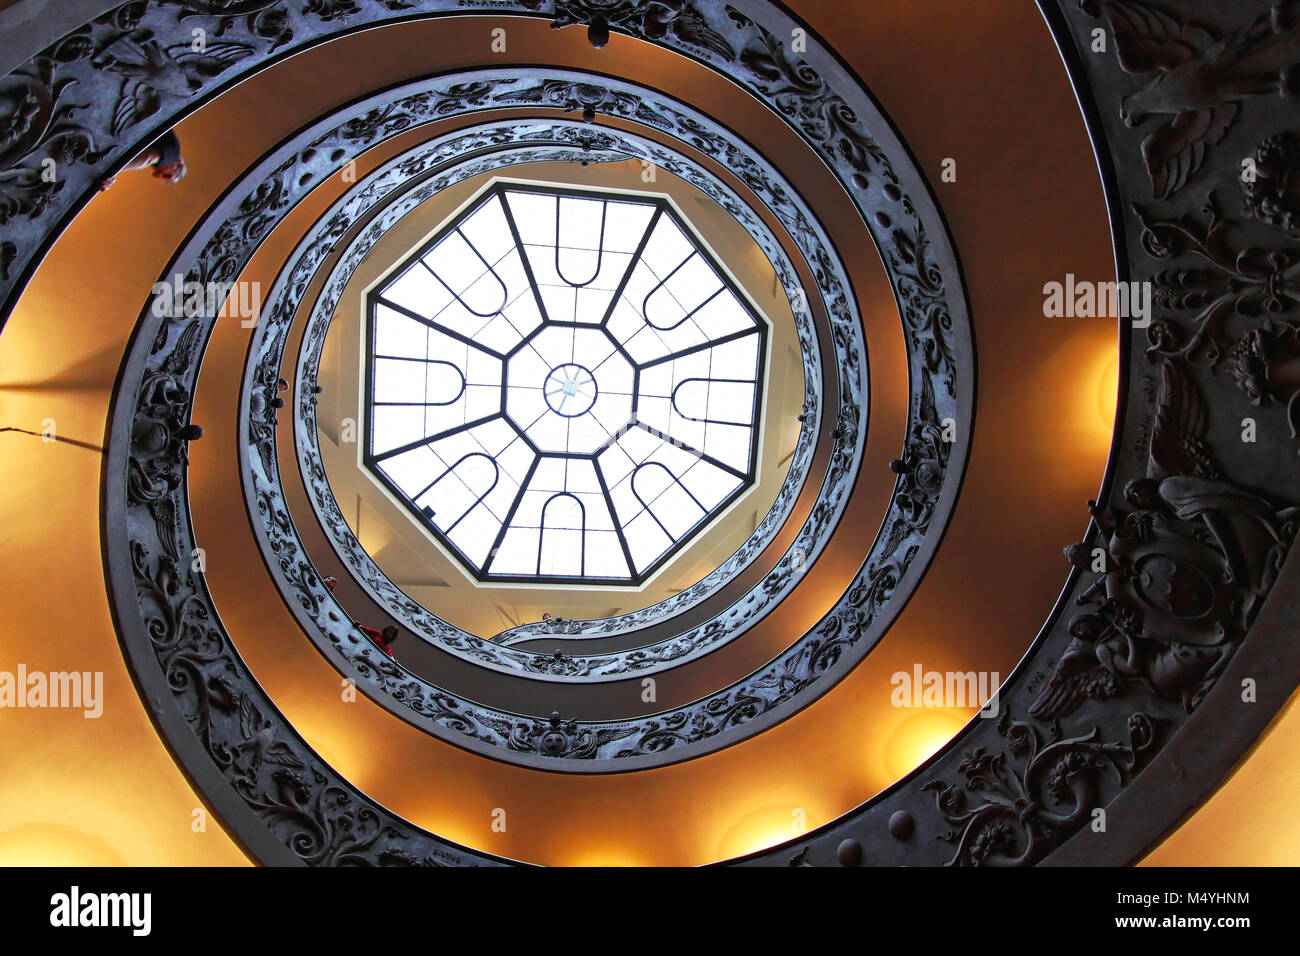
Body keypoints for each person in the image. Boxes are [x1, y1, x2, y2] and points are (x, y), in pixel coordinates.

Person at [99, 130, 187, 191]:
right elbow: (149, 158)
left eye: (157, 174)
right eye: (167, 175)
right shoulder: (173, 154)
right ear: (179, 165)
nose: (159, 173)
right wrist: (112, 171)